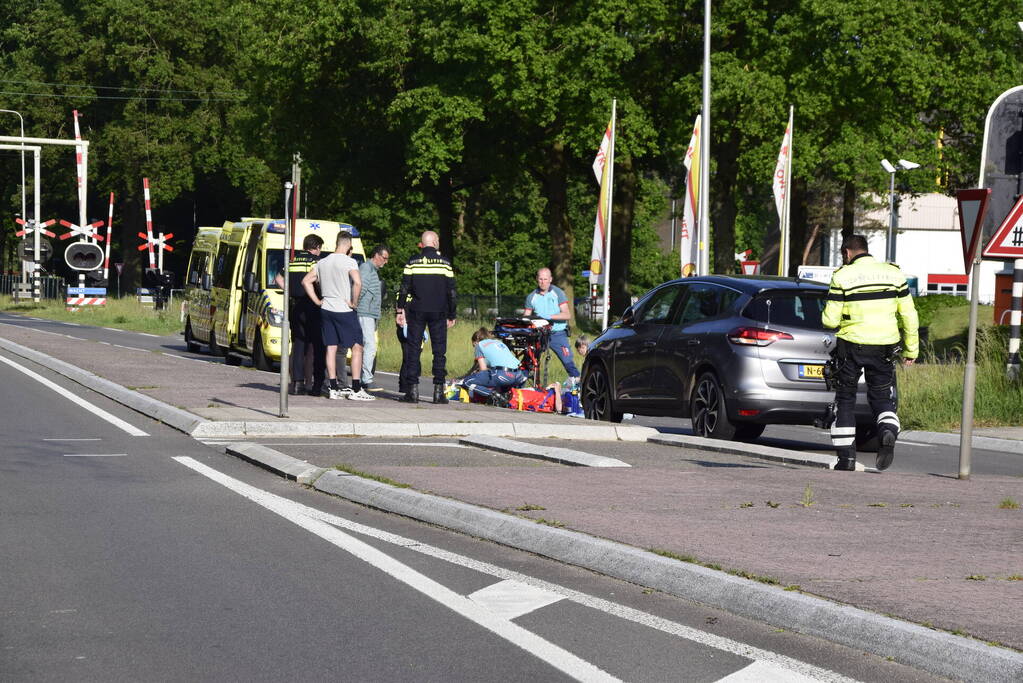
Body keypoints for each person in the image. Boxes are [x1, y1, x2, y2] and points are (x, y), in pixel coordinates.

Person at [822, 234, 919, 472]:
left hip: (852, 345)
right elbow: (909, 315)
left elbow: (829, 320)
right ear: (866, 250)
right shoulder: (894, 274)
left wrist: (837, 319)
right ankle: (887, 430)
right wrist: (911, 349)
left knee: (845, 399)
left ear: (847, 253)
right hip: (885, 346)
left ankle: (846, 460)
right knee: (882, 398)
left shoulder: (842, 276)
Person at [302, 231, 374, 401]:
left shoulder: (323, 262)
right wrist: (354, 302)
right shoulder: (349, 261)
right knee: (357, 346)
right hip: (344, 309)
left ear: (336, 243)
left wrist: (317, 301)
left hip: (326, 308)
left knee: (331, 347)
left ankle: (333, 388)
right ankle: (356, 389)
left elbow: (306, 281)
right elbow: (357, 282)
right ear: (348, 244)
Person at [395, 231, 456, 404]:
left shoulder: (412, 262)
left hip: (417, 310)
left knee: (414, 350)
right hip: (439, 311)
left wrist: (400, 311)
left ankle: (412, 392)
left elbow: (404, 287)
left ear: (422, 244)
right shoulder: (445, 263)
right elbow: (451, 291)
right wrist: (452, 313)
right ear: (435, 242)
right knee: (439, 351)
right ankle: (438, 392)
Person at [275, 234, 325, 396]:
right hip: (312, 305)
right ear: (316, 247)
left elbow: (278, 279)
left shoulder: (292, 261)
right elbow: (316, 281)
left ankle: (297, 383)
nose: (320, 252)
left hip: (295, 306)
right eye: (320, 248)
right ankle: (314, 383)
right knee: (316, 345)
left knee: (298, 344)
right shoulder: (315, 261)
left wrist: (290, 291)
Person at [523, 267, 580, 386]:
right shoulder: (531, 297)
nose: (543, 282)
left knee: (568, 362)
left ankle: (579, 389)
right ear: (536, 279)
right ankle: (518, 390)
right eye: (540, 279)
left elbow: (567, 314)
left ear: (550, 280)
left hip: (557, 334)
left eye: (545, 279)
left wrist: (548, 316)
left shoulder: (558, 293)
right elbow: (525, 318)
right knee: (528, 361)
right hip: (539, 334)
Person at [356, 245, 389, 392]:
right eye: (384, 258)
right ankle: (366, 380)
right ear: (376, 255)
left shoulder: (371, 270)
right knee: (369, 346)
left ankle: (363, 378)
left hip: (368, 313)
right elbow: (361, 288)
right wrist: (355, 305)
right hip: (364, 313)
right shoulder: (366, 268)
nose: (386, 262)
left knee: (366, 346)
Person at [460, 327, 526, 398]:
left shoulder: (479, 345)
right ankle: (502, 397)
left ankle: (494, 396)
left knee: (467, 382)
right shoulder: (499, 342)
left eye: (473, 345)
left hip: (503, 375)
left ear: (475, 342)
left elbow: (483, 370)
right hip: (519, 376)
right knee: (500, 387)